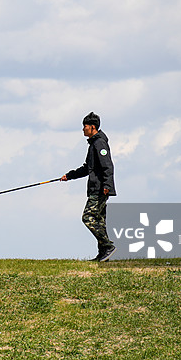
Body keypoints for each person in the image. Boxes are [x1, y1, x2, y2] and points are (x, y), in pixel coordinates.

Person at [60, 112, 116, 262]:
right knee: (99, 220)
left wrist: (107, 185)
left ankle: (108, 246)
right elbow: (87, 168)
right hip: (96, 188)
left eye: (84, 127)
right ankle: (103, 253)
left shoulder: (99, 144)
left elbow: (108, 166)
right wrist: (69, 175)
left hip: (100, 189)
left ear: (92, 127)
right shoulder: (93, 144)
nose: (83, 130)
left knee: (88, 217)